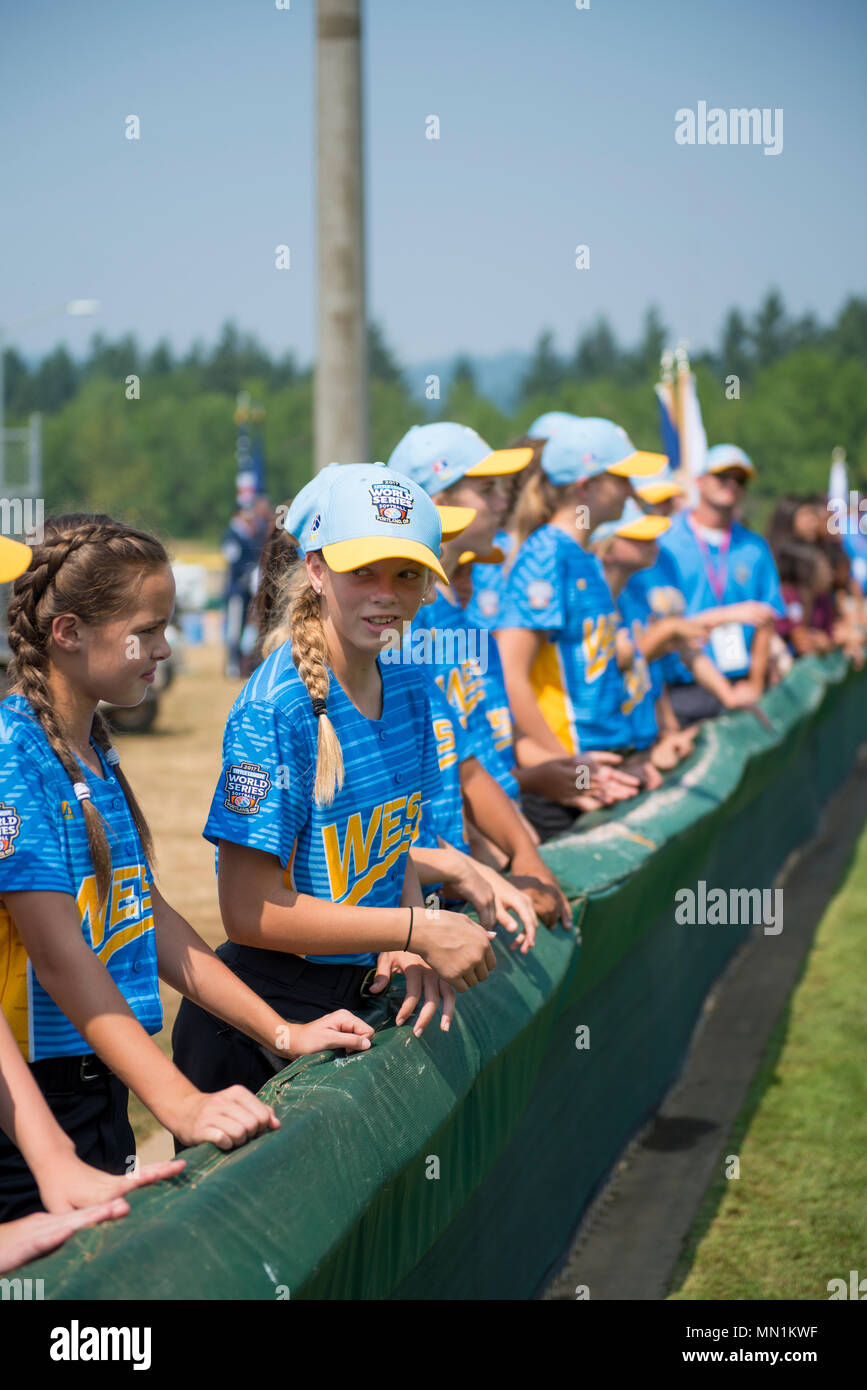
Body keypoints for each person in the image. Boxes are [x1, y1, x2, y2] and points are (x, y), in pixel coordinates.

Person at [0, 515, 374, 1220]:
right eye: (147, 629)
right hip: (29, 1107)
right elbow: (58, 957)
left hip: (96, 1086)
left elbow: (149, 917)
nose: (165, 648)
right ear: (69, 633)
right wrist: (178, 1101)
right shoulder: (14, 759)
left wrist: (281, 1032)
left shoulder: (91, 749)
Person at [171, 465, 499, 1100]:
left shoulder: (407, 685)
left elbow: (394, 847)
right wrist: (413, 931)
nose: (386, 593)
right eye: (363, 571)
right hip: (255, 1025)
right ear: (316, 570)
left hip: (355, 995)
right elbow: (247, 912)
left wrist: (407, 943)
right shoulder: (278, 706)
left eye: (407, 574)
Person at [495, 416, 667, 840]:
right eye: (621, 477)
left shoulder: (582, 555)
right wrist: (569, 770)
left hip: (600, 768)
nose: (631, 490)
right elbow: (509, 673)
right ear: (585, 486)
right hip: (568, 782)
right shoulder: (546, 555)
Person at [657, 445, 786, 727]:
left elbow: (767, 616)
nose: (731, 484)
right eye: (721, 475)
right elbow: (659, 625)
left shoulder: (754, 547)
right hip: (683, 684)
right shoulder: (665, 541)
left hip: (741, 684)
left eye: (739, 480)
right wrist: (728, 615)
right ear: (699, 481)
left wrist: (755, 682)